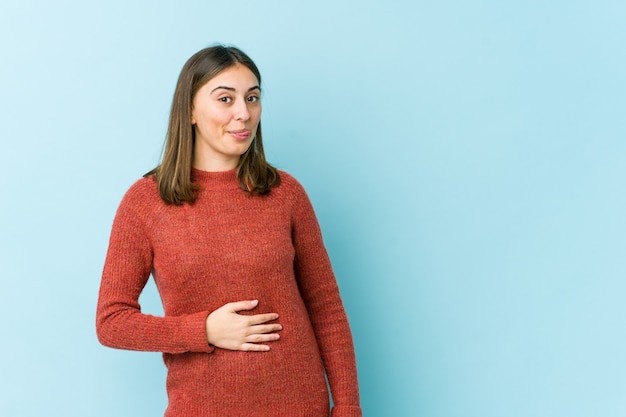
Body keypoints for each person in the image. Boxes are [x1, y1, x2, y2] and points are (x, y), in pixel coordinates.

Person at [96, 45, 362, 417]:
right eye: (226, 98)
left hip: (300, 404)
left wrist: (348, 407)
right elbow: (111, 322)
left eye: (252, 98)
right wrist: (202, 330)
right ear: (189, 109)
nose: (244, 114)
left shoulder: (286, 193)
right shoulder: (146, 202)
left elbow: (327, 309)